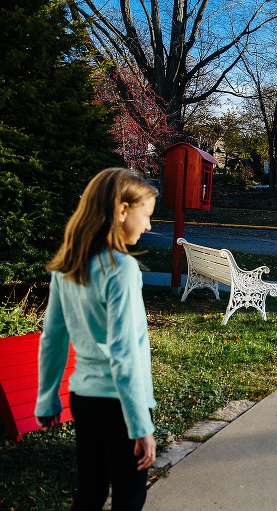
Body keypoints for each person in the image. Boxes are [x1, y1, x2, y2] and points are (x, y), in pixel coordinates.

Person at [35, 168, 158, 511]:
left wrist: (46, 400)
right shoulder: (121, 269)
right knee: (129, 498)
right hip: (119, 405)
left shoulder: (68, 265)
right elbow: (123, 353)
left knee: (90, 493)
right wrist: (140, 425)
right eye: (145, 215)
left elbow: (53, 338)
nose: (148, 226)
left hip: (83, 399)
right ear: (122, 211)